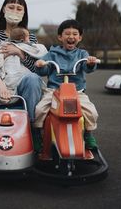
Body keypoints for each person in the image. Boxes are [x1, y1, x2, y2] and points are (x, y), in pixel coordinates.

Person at [34, 19, 99, 150]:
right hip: (54, 91)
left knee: (91, 111)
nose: (71, 37)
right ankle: (37, 134)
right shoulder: (52, 54)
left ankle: (88, 134)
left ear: (80, 37)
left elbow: (87, 67)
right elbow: (43, 69)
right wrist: (40, 64)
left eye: (75, 34)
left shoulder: (82, 54)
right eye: (67, 34)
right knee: (39, 110)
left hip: (76, 92)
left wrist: (90, 63)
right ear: (60, 37)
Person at [0, 27, 47, 104]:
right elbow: (38, 51)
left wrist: (1, 60)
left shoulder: (3, 46)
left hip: (11, 79)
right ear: (22, 40)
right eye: (28, 37)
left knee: (29, 78)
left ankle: (9, 94)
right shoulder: (26, 47)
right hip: (16, 75)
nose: (30, 40)